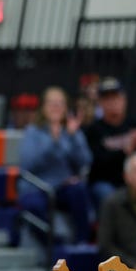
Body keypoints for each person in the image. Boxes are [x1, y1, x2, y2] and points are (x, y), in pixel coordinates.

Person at [18, 86, 92, 244]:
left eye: (60, 103)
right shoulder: (33, 132)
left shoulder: (72, 131)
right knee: (32, 204)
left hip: (63, 186)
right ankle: (55, 242)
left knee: (79, 190)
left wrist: (73, 137)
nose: (56, 107)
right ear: (43, 107)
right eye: (52, 103)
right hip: (38, 186)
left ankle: (82, 242)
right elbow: (28, 164)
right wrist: (54, 142)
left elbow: (85, 161)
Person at [85, 77, 136, 211]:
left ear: (124, 99)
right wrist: (126, 151)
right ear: (100, 103)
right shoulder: (93, 129)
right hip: (105, 182)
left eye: (116, 97)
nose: (113, 102)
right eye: (107, 98)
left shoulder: (135, 124)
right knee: (110, 196)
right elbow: (96, 163)